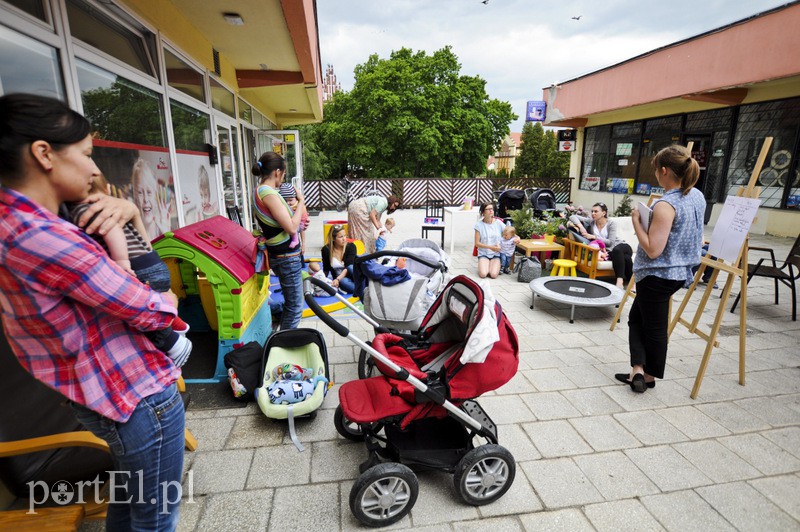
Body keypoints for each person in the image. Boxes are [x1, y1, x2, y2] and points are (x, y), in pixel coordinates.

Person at [0, 93, 185, 529]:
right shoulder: (40, 236)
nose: (95, 169)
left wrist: (131, 211)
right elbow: (148, 306)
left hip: (103, 395)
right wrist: (170, 305)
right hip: (134, 396)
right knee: (155, 519)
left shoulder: (25, 221)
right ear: (43, 154)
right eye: (85, 154)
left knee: (131, 506)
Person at [67, 173, 192, 367]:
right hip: (153, 264)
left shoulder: (86, 209)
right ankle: (177, 325)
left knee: (143, 314)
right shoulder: (112, 205)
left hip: (140, 269)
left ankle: (174, 344)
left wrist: (121, 260)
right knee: (158, 303)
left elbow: (112, 230)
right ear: (108, 189)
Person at [616, 144, 705, 393]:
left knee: (652, 326)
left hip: (659, 274)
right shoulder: (696, 195)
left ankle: (650, 375)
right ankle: (638, 370)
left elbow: (654, 249)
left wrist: (636, 221)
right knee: (637, 319)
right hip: (678, 272)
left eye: (656, 170)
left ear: (663, 171)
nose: (655, 174)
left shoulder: (666, 205)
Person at [252, 151, 306, 331]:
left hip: (282, 254)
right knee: (295, 307)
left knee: (291, 304)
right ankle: (284, 345)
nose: (282, 179)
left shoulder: (260, 191)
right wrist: (301, 203)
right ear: (277, 172)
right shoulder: (268, 193)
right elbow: (291, 227)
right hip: (286, 256)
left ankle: (282, 339)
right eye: (283, 174)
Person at [568, 202, 634, 288]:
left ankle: (619, 282)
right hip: (610, 251)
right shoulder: (591, 222)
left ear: (604, 213)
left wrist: (593, 236)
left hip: (622, 246)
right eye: (592, 211)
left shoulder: (611, 223)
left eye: (596, 211)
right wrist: (581, 227)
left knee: (617, 250)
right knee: (626, 258)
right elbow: (572, 217)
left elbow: (611, 242)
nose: (593, 214)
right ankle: (633, 283)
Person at [132, 157, 171, 240]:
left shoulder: (162, 227)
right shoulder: (133, 234)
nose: (145, 199)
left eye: (149, 192)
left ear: (156, 195)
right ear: (135, 197)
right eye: (140, 192)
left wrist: (166, 232)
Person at [321, 224, 357, 294]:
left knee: (350, 267)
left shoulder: (351, 247)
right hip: (342, 280)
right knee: (344, 282)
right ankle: (362, 290)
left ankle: (363, 285)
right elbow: (326, 269)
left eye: (345, 236)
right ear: (333, 238)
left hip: (354, 276)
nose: (344, 239)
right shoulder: (326, 250)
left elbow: (348, 267)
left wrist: (337, 279)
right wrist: (321, 280)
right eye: (341, 237)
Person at [474, 202, 505, 279]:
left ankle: (493, 263)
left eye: (492, 209)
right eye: (488, 209)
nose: (491, 211)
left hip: (496, 254)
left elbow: (509, 232)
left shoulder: (498, 223)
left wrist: (517, 237)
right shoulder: (479, 225)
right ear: (483, 212)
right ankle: (485, 263)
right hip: (483, 253)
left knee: (493, 275)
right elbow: (477, 243)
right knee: (483, 274)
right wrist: (490, 247)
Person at [279, 182, 308, 254]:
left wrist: (303, 244)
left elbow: (301, 228)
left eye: (290, 200)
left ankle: (295, 240)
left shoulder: (297, 207)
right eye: (285, 200)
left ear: (296, 199)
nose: (288, 203)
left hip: (299, 227)